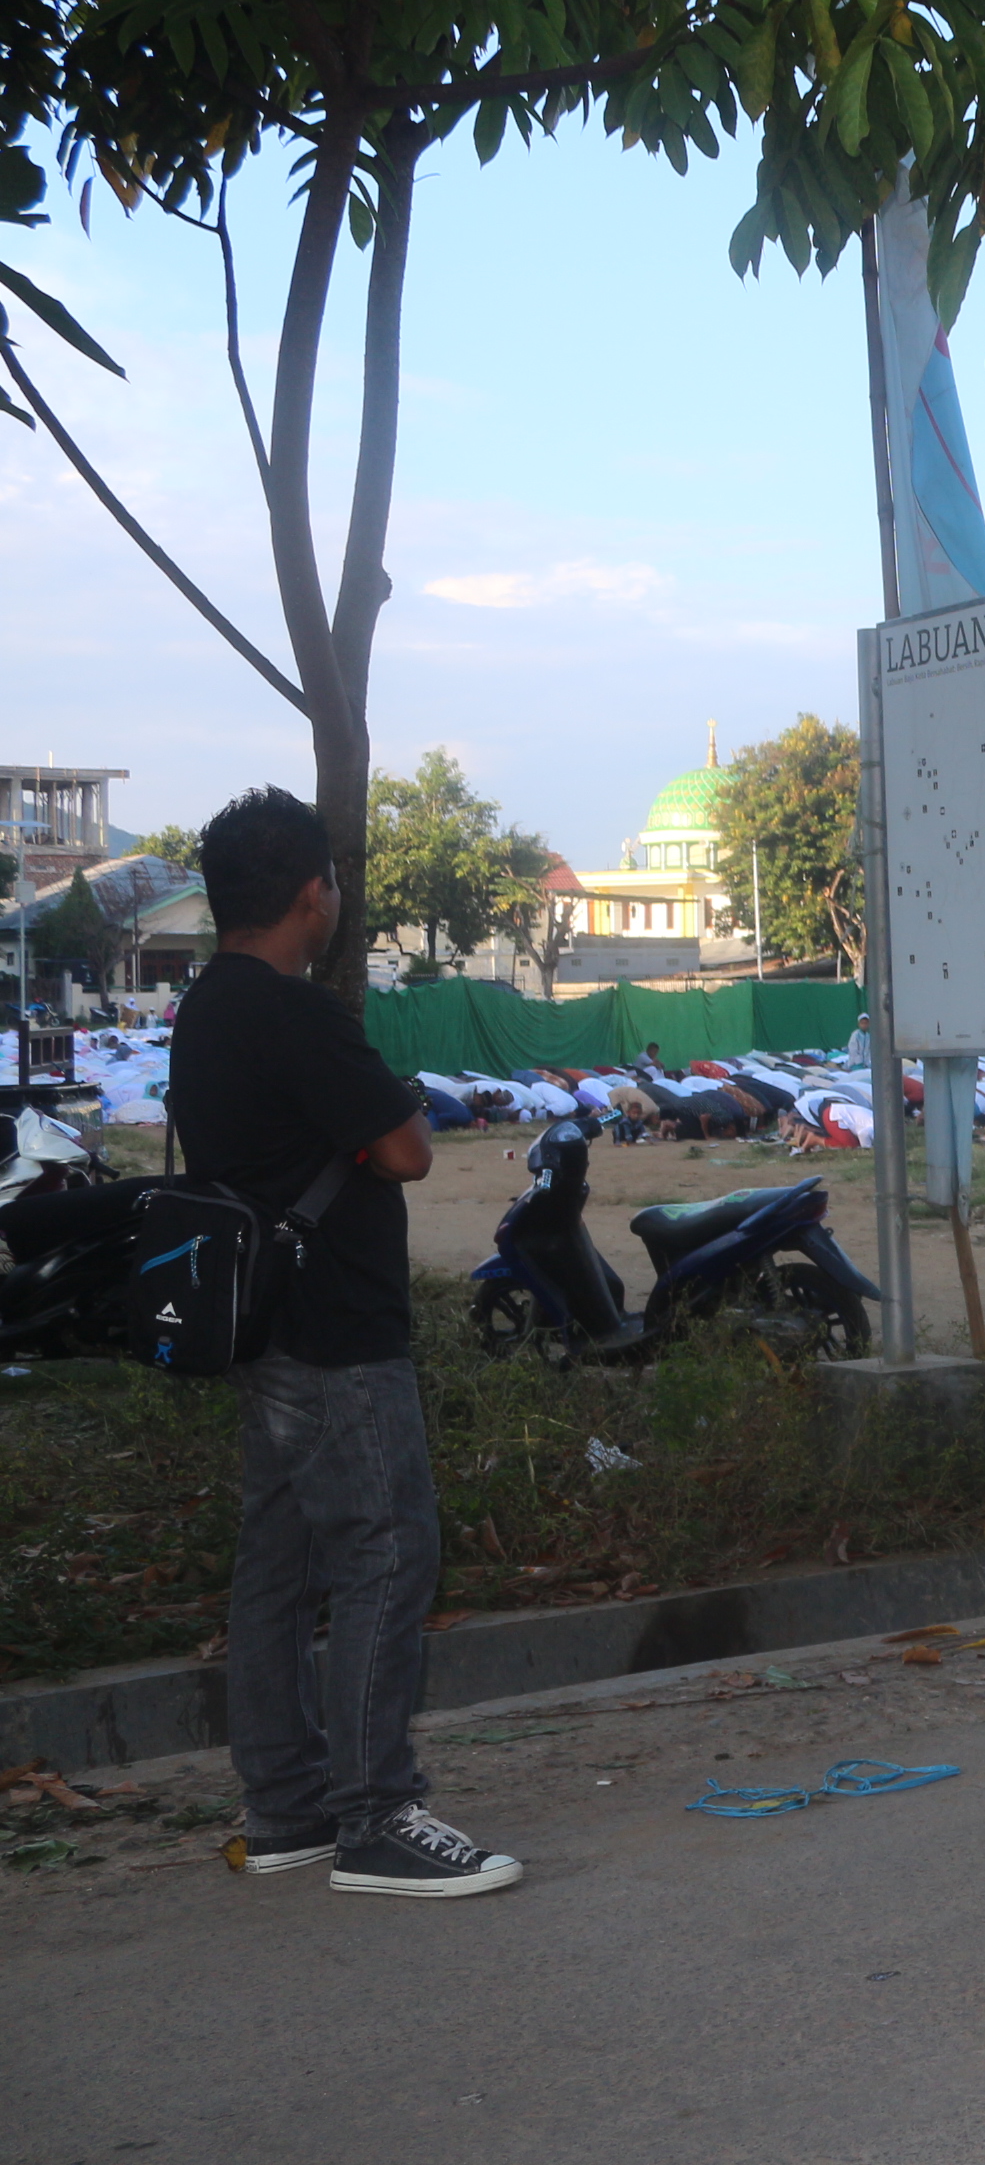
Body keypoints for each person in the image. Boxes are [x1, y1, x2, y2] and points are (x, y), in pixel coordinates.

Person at [168, 787, 522, 1899]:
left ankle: (286, 1811)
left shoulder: (204, 1011)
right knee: (383, 1550)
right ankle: (376, 1814)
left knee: (277, 1563)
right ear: (312, 893)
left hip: (260, 1326)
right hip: (337, 1329)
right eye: (332, 884)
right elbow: (408, 1150)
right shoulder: (297, 1012)